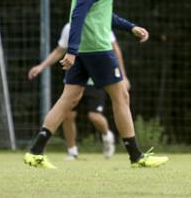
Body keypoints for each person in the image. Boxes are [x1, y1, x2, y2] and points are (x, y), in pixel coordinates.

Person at [24, 0, 168, 169]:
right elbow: (79, 12)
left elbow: (99, 13)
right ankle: (136, 156)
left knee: (69, 98)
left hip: (84, 48)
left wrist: (130, 27)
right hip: (96, 49)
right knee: (121, 95)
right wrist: (71, 49)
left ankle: (36, 151)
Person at [28, 22, 127, 160]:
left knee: (94, 116)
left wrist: (123, 76)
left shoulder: (100, 23)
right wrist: (41, 66)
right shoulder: (69, 27)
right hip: (76, 78)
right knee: (67, 114)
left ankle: (107, 135)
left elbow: (115, 49)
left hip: (95, 79)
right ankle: (72, 151)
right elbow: (59, 51)